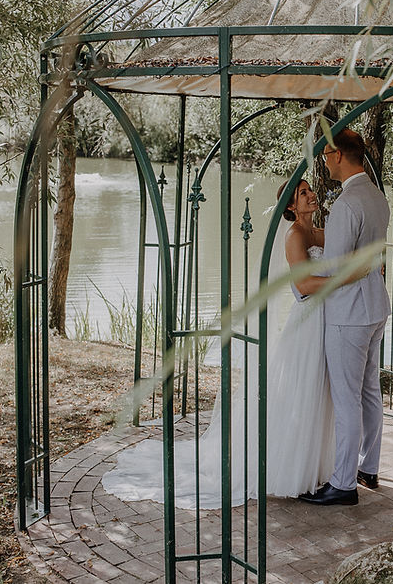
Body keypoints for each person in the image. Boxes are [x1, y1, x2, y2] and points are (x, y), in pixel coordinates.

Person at [100, 179, 336, 508]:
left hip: (330, 318)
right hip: (308, 321)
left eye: (309, 190)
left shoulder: (323, 231)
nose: (311, 195)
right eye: (302, 193)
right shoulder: (295, 235)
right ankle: (291, 471)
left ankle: (318, 466)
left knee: (319, 392)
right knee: (302, 390)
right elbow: (302, 284)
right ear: (291, 207)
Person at [299, 128, 390, 506]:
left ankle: (343, 484)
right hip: (376, 308)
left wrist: (299, 288)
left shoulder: (346, 203)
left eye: (325, 153)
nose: (323, 159)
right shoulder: (378, 198)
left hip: (348, 314)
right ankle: (369, 466)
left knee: (347, 397)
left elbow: (334, 267)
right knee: (370, 390)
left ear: (337, 155)